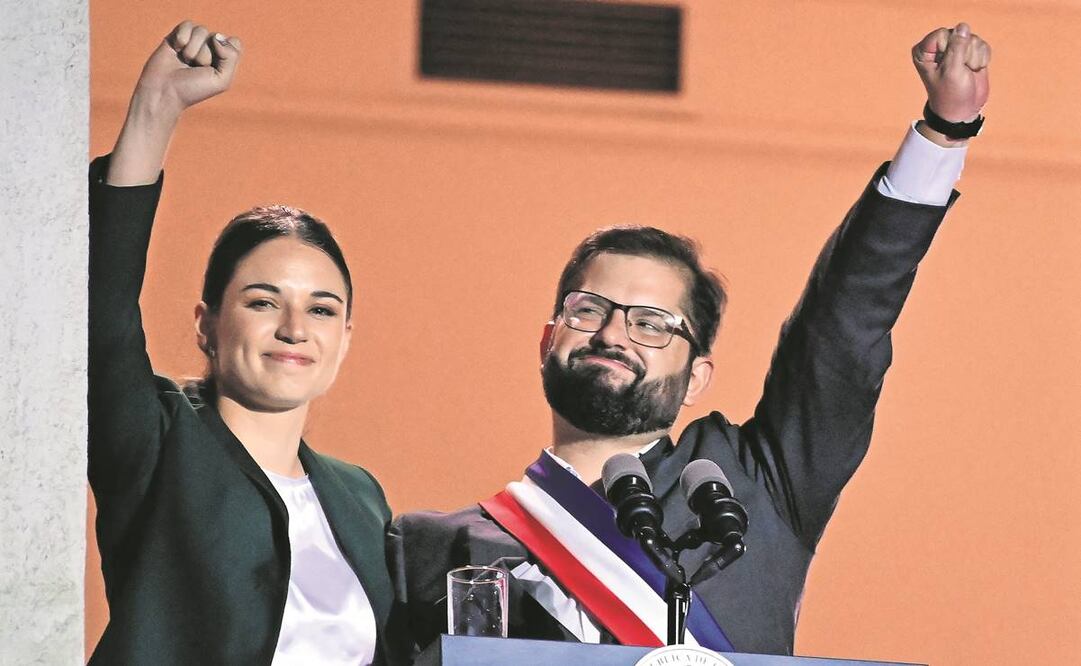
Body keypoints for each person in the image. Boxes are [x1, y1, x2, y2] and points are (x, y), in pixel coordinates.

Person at [387, 22, 991, 658]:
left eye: (653, 323)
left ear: (697, 377)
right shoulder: (430, 548)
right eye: (591, 309)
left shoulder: (749, 489)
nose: (616, 332)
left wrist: (942, 133)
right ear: (549, 340)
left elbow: (841, 330)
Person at [88, 21, 392, 664]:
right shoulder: (158, 439)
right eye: (262, 302)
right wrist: (156, 108)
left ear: (343, 339)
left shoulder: (360, 496)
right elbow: (102, 310)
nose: (294, 328)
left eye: (321, 309)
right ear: (206, 324)